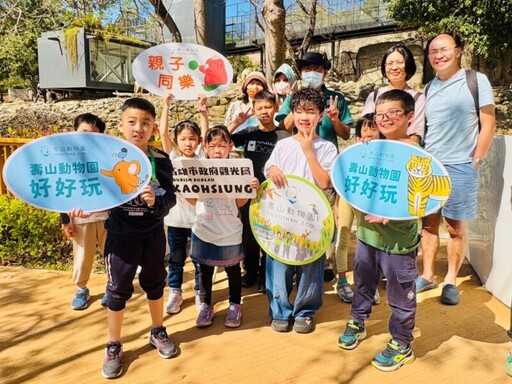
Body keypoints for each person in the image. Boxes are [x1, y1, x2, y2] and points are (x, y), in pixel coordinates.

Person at [70, 98, 177, 379]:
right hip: (120, 236)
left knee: (155, 284)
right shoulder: (107, 159)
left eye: (145, 123)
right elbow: (93, 192)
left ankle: (157, 330)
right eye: (132, 122)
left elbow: (171, 199)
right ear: (120, 125)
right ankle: (113, 344)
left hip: (153, 234)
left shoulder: (161, 161)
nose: (138, 128)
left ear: (154, 127)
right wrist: (80, 206)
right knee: (117, 290)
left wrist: (157, 202)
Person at [337, 89, 419, 372]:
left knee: (400, 295)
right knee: (363, 283)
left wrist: (394, 212)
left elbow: (426, 200)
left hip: (399, 243)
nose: (384, 120)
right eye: (380, 115)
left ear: (410, 116)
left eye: (392, 114)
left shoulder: (416, 155)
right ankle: (357, 322)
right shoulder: (370, 152)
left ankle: (402, 342)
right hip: (367, 238)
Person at [415, 34, 495, 305]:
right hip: (430, 167)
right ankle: (427, 274)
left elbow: (488, 123)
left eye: (444, 50)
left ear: (458, 51)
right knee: (428, 225)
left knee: (455, 228)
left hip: (461, 166)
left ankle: (450, 279)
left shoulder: (476, 80)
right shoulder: (428, 88)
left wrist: (476, 160)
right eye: (433, 51)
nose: (438, 55)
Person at [264, 87, 338, 334]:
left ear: (320, 116)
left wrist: (309, 151)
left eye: (311, 112)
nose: (304, 117)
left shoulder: (326, 148)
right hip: (282, 217)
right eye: (299, 111)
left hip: (312, 219)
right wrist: (272, 170)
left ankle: (305, 310)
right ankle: (280, 309)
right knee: (280, 262)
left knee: (310, 265)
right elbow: (270, 169)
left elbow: (325, 182)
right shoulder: (283, 145)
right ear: (292, 114)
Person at [275, 51, 353, 281]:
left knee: (325, 214)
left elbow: (346, 133)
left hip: (325, 167)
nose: (313, 73)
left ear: (325, 72)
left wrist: (334, 118)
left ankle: (324, 259)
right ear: (301, 72)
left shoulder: (335, 97)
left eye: (318, 69)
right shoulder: (293, 98)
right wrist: (297, 107)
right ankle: (298, 258)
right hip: (297, 171)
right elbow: (282, 126)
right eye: (308, 69)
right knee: (298, 214)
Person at [187, 125, 259, 328]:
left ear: (230, 146)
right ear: (206, 147)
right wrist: (184, 187)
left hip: (230, 230)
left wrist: (248, 188)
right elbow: (193, 201)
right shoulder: (197, 168)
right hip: (204, 229)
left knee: (233, 271)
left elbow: (239, 204)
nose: (217, 150)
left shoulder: (239, 168)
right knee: (205, 271)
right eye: (213, 146)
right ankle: (205, 305)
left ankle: (235, 304)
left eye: (222, 145)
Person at [229, 90, 289, 289]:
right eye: (259, 108)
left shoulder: (283, 137)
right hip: (248, 193)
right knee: (249, 233)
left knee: (270, 233)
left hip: (274, 195)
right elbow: (220, 141)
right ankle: (250, 271)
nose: (264, 111)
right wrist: (237, 123)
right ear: (253, 110)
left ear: (276, 108)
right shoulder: (248, 133)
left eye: (268, 107)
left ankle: (266, 274)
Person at [159, 94, 208, 314]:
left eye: (192, 138)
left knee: (200, 260)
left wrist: (203, 112)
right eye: (183, 139)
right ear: (177, 141)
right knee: (176, 259)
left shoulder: (202, 159)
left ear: (198, 141)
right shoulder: (172, 159)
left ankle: (200, 292)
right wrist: (166, 106)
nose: (188, 143)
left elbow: (207, 135)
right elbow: (162, 133)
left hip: (199, 220)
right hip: (177, 220)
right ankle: (175, 292)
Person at [61, 113, 109, 310]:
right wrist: (65, 220)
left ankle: (112, 287)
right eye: (84, 132)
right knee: (82, 256)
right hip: (80, 218)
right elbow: (60, 190)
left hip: (107, 215)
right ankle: (81, 288)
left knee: (111, 255)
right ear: (74, 132)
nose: (89, 136)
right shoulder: (65, 159)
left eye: (95, 134)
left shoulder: (107, 156)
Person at [334, 113, 382, 305]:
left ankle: (369, 286)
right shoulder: (350, 154)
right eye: (365, 129)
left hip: (368, 205)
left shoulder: (386, 156)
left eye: (373, 128)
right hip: (347, 200)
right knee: (342, 239)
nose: (369, 133)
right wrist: (337, 204)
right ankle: (343, 282)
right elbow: (341, 180)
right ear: (358, 134)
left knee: (370, 243)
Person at [361, 44, 425, 144]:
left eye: (399, 62)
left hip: (402, 150)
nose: (394, 67)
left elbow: (416, 135)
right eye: (389, 63)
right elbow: (364, 129)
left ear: (408, 65)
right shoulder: (374, 96)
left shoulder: (417, 98)